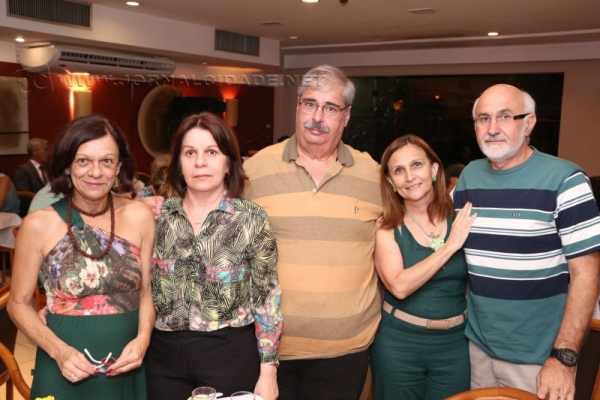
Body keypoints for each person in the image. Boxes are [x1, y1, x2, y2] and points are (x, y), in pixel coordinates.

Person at [244, 65, 382, 400]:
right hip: (269, 352)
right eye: (309, 104)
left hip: (345, 350)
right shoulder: (254, 170)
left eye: (330, 108)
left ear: (346, 117)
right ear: (297, 107)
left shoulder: (374, 175)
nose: (317, 117)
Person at [454, 84, 600, 400]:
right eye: (483, 118)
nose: (492, 128)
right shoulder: (469, 178)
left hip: (539, 359)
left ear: (529, 123)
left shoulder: (565, 180)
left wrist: (564, 357)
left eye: (505, 116)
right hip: (478, 350)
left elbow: (586, 273)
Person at [8, 115, 155, 400]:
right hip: (62, 364)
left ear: (118, 167)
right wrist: (59, 352)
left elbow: (147, 292)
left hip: (127, 364)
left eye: (106, 161)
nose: (95, 172)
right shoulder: (38, 225)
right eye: (83, 161)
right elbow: (17, 304)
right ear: (68, 165)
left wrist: (142, 340)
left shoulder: (140, 216)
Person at [146, 112, 282, 400]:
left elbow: (267, 297)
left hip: (229, 354)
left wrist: (268, 372)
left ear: (228, 162)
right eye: (189, 153)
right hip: (163, 357)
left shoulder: (250, 218)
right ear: (178, 163)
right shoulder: (157, 217)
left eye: (211, 152)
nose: (200, 162)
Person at [371, 135, 476, 399]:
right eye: (398, 170)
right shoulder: (387, 227)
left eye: (416, 165)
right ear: (391, 182)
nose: (409, 177)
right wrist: (450, 247)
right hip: (400, 344)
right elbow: (399, 286)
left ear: (434, 170)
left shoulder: (460, 219)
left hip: (454, 345)